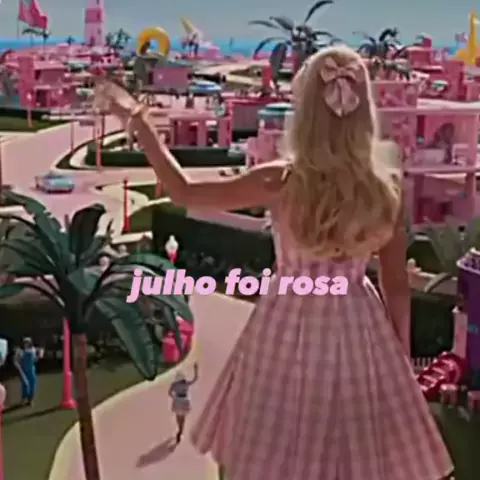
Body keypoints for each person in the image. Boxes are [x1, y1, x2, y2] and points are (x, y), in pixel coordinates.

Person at [94, 45, 453, 480]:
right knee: (358, 458)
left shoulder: (281, 180)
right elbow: (396, 283)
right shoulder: (384, 188)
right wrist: (399, 356)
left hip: (286, 322)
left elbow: (184, 191)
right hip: (360, 325)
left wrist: (137, 121)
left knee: (270, 452)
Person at [168, 363, 199, 444]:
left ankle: (179, 429)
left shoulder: (174, 384)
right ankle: (180, 431)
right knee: (183, 418)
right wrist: (196, 369)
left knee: (178, 417)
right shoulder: (186, 383)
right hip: (185, 401)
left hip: (177, 401)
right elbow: (195, 379)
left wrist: (174, 397)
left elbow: (170, 393)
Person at [14, 337, 44, 406]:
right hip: (23, 370)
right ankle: (23, 399)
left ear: (30, 343)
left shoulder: (33, 349)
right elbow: (16, 360)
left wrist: (39, 356)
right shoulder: (20, 351)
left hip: (31, 370)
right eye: (25, 342)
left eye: (27, 342)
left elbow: (40, 351)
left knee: (32, 385)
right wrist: (18, 365)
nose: (26, 343)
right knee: (25, 385)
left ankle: (30, 400)